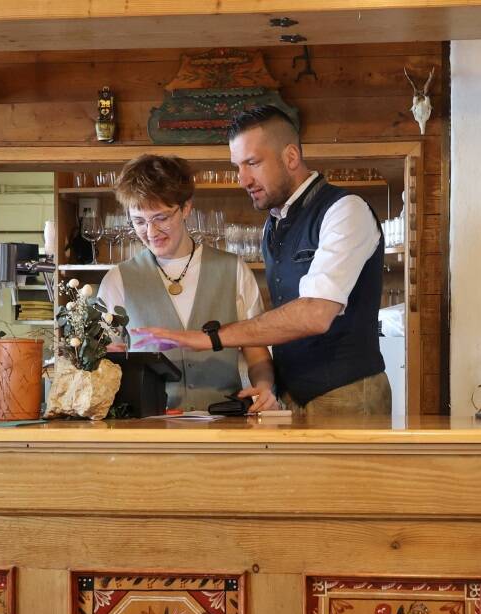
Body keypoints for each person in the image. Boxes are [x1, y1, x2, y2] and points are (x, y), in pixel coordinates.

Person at [141, 106, 390, 417]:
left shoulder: (345, 210)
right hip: (291, 396)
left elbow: (315, 314)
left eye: (253, 163)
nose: (242, 179)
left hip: (347, 394)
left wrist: (210, 338)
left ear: (290, 157)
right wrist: (268, 386)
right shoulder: (273, 224)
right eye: (237, 166)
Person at [98, 153, 278, 412]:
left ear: (185, 208)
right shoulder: (118, 280)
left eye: (161, 218)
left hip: (225, 424)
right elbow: (103, 361)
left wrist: (264, 386)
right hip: (149, 429)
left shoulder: (233, 269)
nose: (151, 233)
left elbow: (257, 352)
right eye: (139, 222)